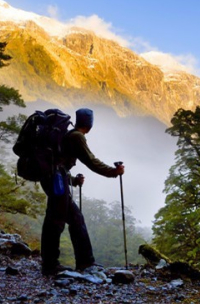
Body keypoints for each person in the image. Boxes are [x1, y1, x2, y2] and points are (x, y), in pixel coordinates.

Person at [40, 108, 125, 275]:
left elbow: (59, 162)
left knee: (74, 219)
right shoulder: (76, 137)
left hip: (55, 179)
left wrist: (72, 181)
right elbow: (91, 161)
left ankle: (84, 262)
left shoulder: (69, 134)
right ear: (90, 123)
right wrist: (113, 172)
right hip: (57, 180)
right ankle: (51, 265)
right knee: (55, 221)